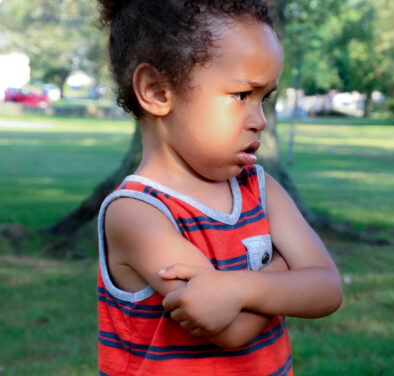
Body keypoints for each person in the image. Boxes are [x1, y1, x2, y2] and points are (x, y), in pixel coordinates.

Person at [95, 1, 343, 375]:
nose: (259, 120)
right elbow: (230, 328)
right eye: (242, 95)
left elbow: (327, 289)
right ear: (157, 91)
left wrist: (240, 289)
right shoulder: (137, 213)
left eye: (266, 98)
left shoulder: (258, 188)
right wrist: (287, 269)